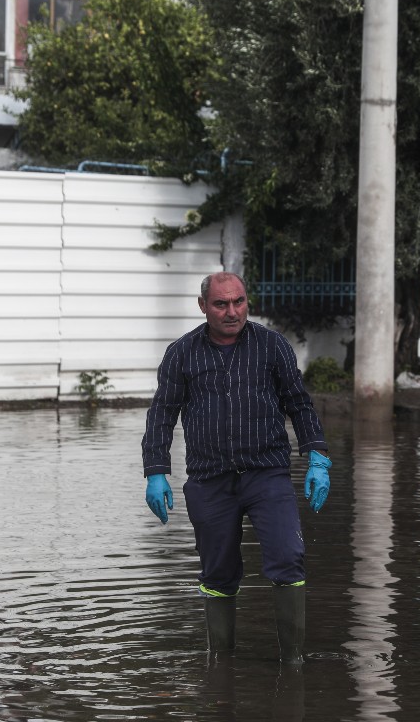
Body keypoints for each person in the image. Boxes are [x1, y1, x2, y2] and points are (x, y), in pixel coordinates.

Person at [141, 272, 332, 664]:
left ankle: (293, 663)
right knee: (218, 572)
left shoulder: (271, 345)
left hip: (267, 474)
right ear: (203, 306)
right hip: (210, 479)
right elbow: (162, 413)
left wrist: (317, 456)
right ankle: (220, 662)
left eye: (239, 302)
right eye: (221, 304)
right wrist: (155, 470)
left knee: (288, 556)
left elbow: (298, 402)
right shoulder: (182, 352)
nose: (232, 312)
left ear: (248, 301)